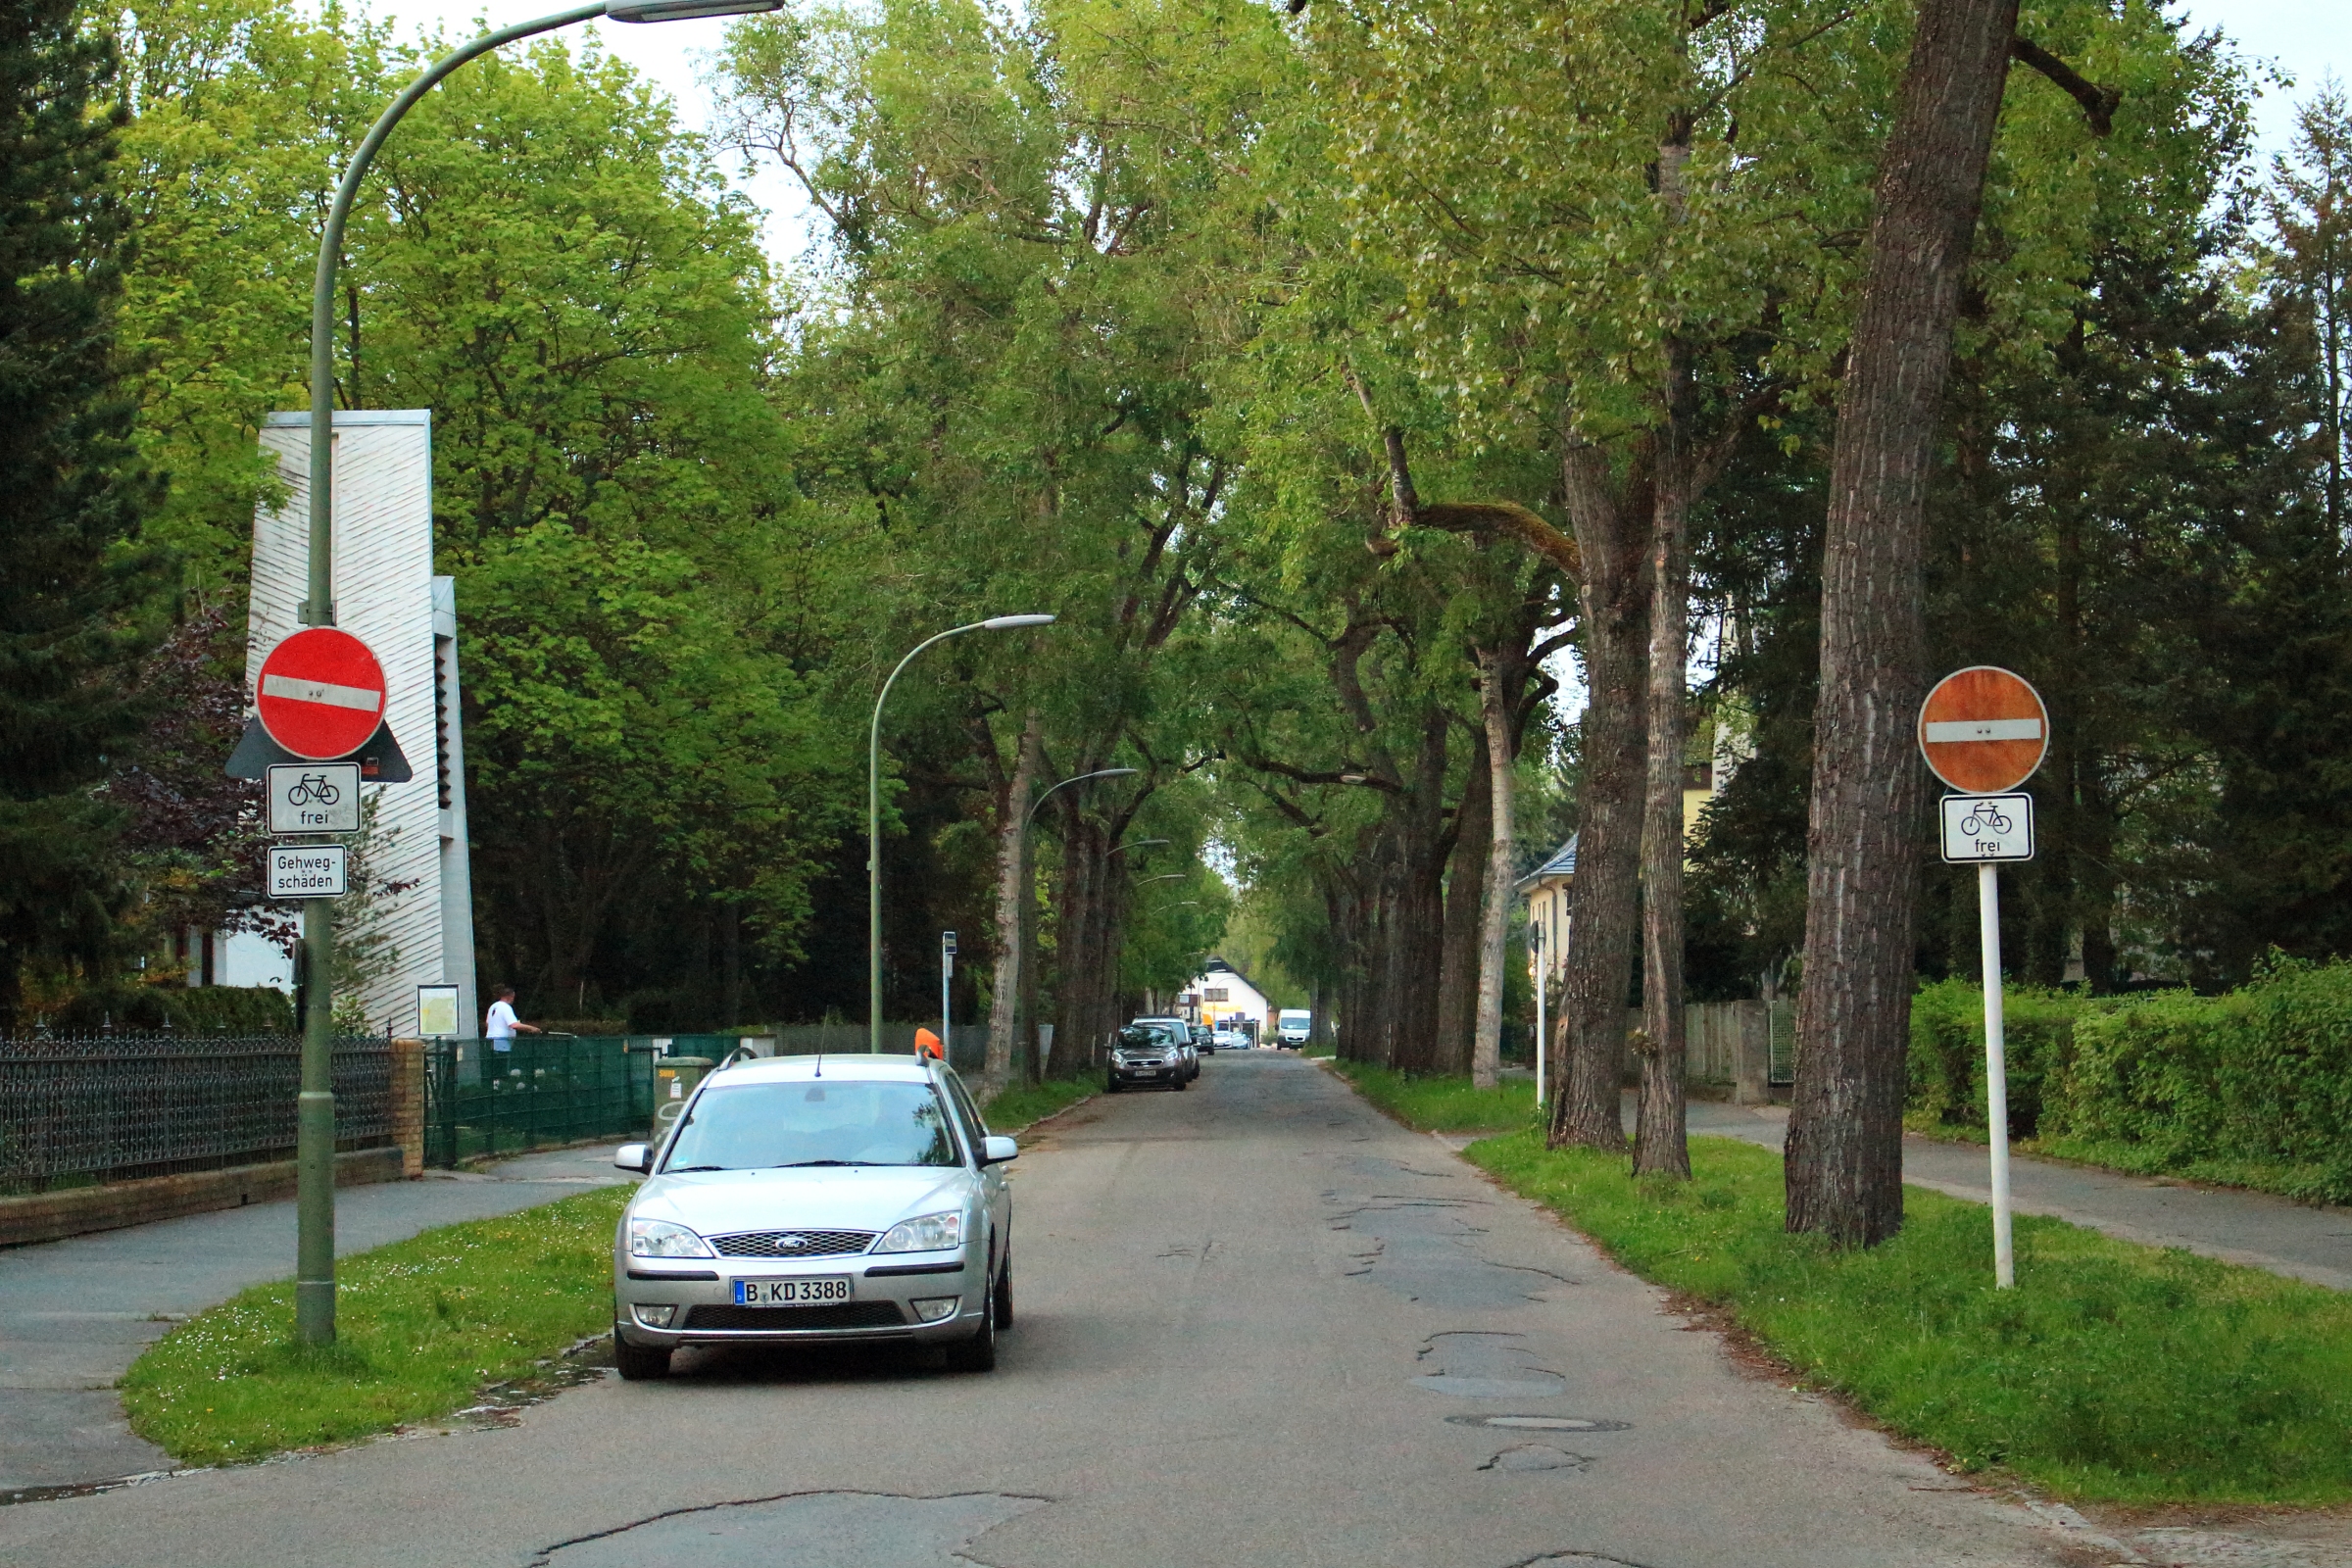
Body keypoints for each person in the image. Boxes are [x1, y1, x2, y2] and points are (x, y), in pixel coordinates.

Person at [486, 985, 544, 1055]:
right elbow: (514, 1025)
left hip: (490, 1040)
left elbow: (487, 1023)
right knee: (502, 1064)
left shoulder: (493, 1006)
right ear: (510, 996)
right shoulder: (506, 1007)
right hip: (502, 1042)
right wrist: (532, 1028)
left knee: (493, 1063)